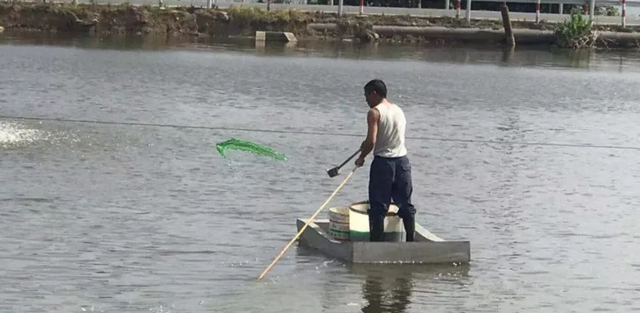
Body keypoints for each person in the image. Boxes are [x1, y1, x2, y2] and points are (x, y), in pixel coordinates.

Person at [355, 79, 416, 242]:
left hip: (384, 164)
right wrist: (366, 145)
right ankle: (411, 241)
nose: (366, 100)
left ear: (374, 93)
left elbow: (372, 141)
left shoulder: (374, 112)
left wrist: (361, 157)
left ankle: (376, 246)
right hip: (402, 163)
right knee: (405, 204)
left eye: (367, 95)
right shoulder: (398, 110)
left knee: (378, 207)